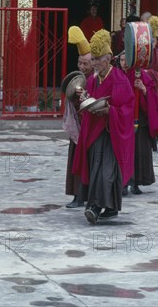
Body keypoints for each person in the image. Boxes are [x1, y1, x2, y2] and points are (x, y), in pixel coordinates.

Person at [72, 29, 135, 224]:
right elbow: (87, 101)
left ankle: (96, 208)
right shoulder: (93, 79)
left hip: (111, 133)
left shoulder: (119, 79)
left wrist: (111, 112)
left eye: (98, 59)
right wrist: (83, 98)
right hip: (94, 133)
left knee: (106, 171)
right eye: (94, 59)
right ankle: (110, 208)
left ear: (108, 58)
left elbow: (127, 107)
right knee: (95, 169)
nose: (94, 63)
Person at [119, 53, 158, 195]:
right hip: (123, 121)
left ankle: (137, 182)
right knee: (124, 153)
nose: (124, 63)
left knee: (139, 152)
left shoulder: (142, 75)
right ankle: (124, 183)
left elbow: (154, 96)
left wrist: (144, 89)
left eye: (127, 59)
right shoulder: (117, 76)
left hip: (140, 121)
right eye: (122, 60)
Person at [63, 26, 94, 208]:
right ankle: (76, 195)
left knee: (89, 162)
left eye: (86, 64)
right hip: (77, 129)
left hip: (90, 128)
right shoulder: (77, 79)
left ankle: (88, 195)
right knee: (75, 160)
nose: (82, 66)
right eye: (80, 63)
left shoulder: (94, 79)